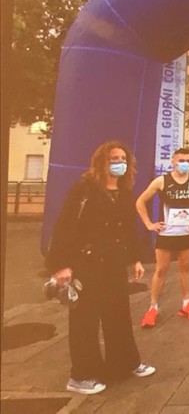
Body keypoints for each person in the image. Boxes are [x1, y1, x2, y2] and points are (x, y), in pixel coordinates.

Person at [47, 140, 155, 395]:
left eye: (122, 159)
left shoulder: (125, 191)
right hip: (86, 264)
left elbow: (128, 230)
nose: (119, 163)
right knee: (85, 319)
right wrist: (61, 265)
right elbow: (64, 226)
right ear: (101, 162)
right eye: (113, 159)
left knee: (118, 315)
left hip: (114, 264)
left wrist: (136, 259)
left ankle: (124, 363)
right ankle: (81, 375)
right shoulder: (84, 189)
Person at [136, 148, 189, 327]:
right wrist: (149, 224)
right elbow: (140, 201)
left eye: (188, 160)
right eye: (181, 160)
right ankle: (153, 307)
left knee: (185, 269)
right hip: (166, 234)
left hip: (186, 233)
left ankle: (186, 304)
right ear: (173, 161)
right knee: (161, 269)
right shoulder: (162, 181)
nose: (185, 163)